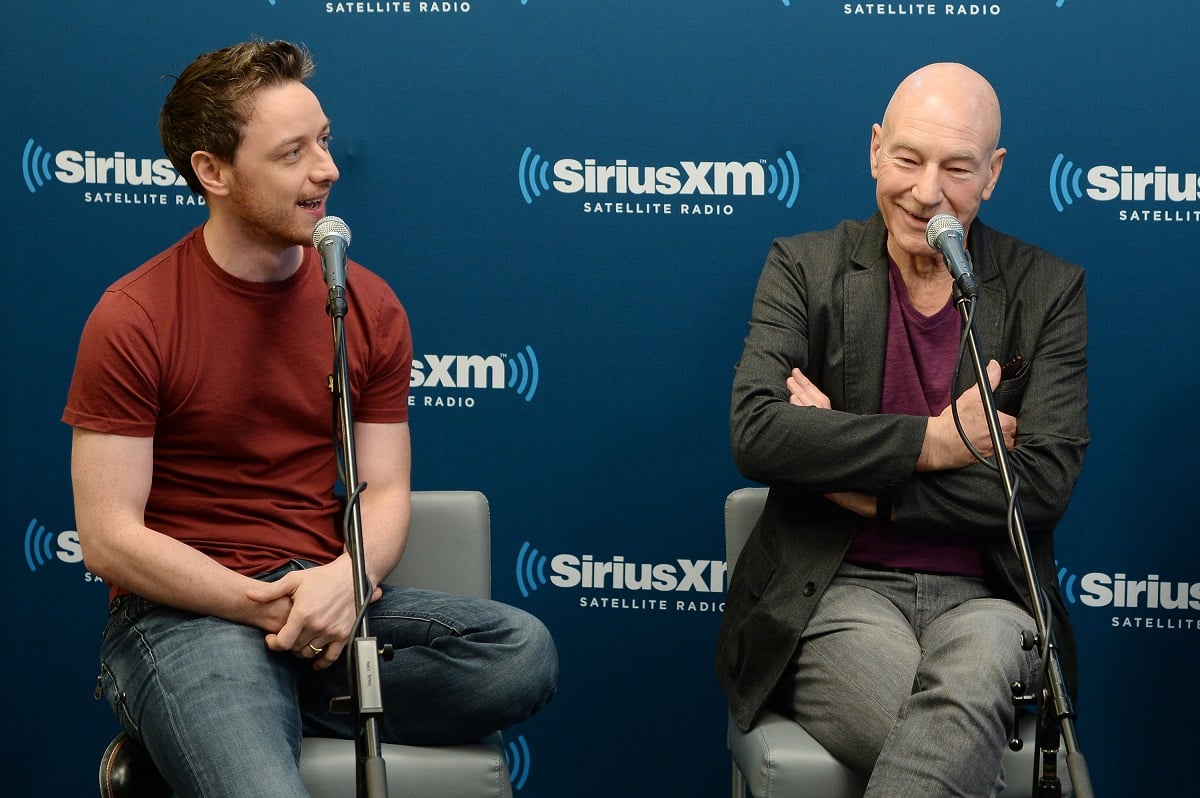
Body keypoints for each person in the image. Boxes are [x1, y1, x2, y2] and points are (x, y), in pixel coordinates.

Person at [64, 40, 557, 797]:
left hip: (322, 600)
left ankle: (223, 721)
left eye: (323, 140)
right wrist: (257, 603)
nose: (326, 169)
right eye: (292, 153)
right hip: (184, 612)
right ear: (213, 172)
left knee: (519, 653)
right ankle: (211, 709)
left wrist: (345, 583)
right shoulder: (134, 316)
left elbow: (385, 491)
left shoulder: (366, 303)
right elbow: (109, 538)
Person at [716, 62, 1088, 796]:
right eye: (908, 159)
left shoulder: (1047, 290)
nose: (926, 193)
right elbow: (758, 432)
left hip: (988, 598)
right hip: (835, 592)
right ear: (875, 150)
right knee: (952, 734)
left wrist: (866, 486)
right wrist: (935, 443)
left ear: (993, 173)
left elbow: (1039, 489)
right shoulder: (804, 267)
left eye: (956, 168)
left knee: (973, 680)